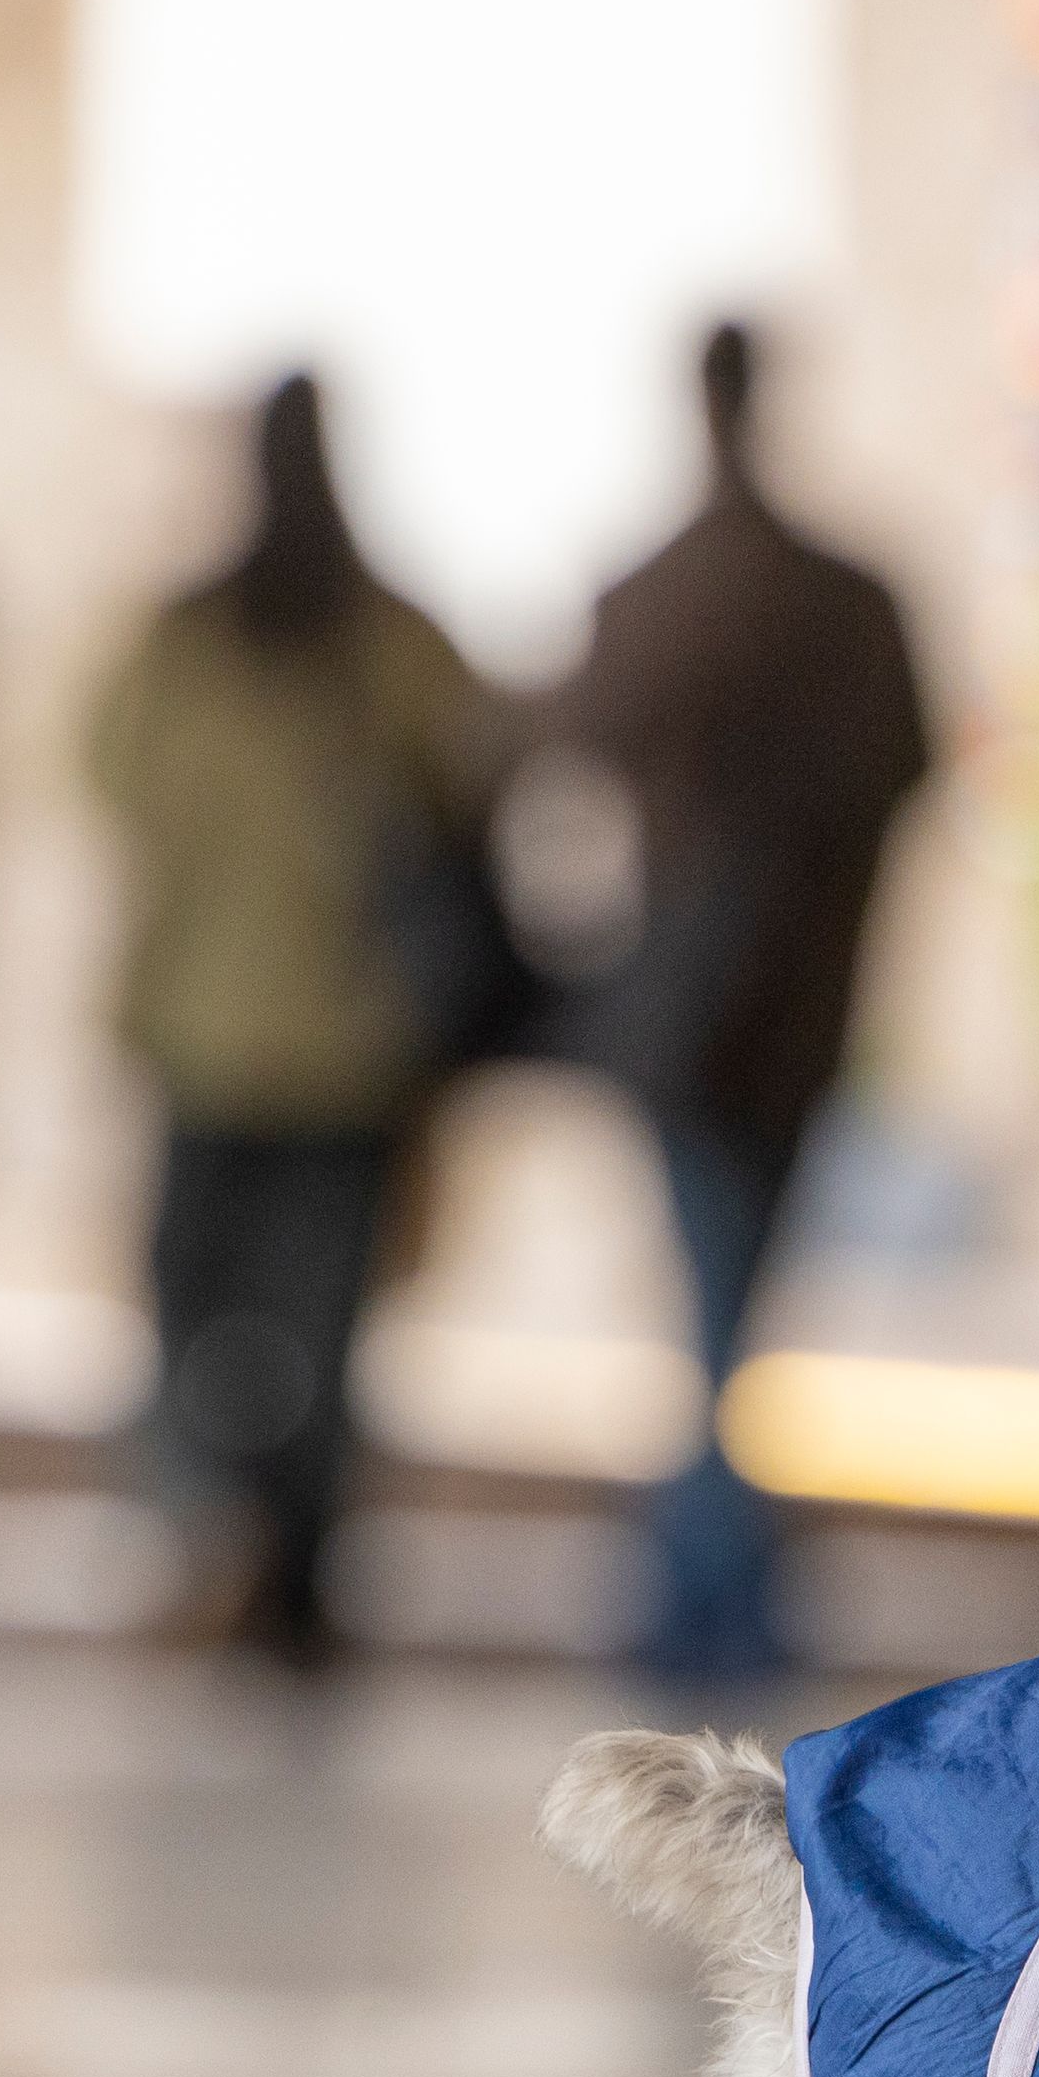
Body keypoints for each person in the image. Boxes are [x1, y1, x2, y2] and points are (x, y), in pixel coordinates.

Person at [547, 323, 930, 1682]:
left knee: (716, 1297)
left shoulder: (662, 589)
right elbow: (912, 770)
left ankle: (704, 1585)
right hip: (794, 1012)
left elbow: (557, 748)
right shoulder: (843, 597)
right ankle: (720, 1582)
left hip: (689, 1015)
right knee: (731, 1295)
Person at [91, 374, 491, 1668]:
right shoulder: (395, 644)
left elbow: (105, 780)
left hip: (211, 1031)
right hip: (347, 1040)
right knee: (320, 1324)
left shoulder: (182, 641)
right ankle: (298, 1574)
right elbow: (481, 788)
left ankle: (216, 1528)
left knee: (189, 1303)